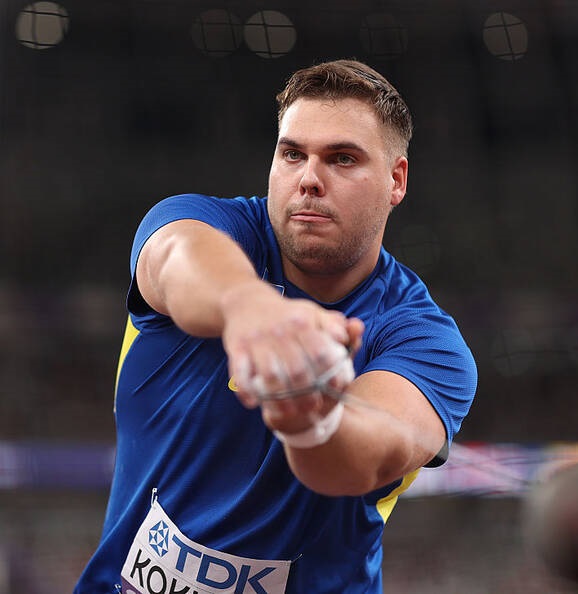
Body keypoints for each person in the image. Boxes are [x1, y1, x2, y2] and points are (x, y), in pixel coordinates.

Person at [75, 59, 478, 594]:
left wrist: (308, 417)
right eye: (293, 154)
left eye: (342, 159)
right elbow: (175, 258)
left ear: (395, 180)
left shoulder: (426, 342)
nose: (309, 179)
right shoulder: (199, 225)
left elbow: (362, 459)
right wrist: (250, 306)